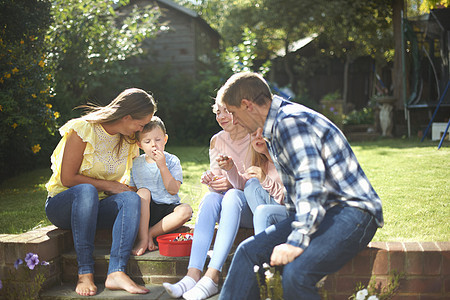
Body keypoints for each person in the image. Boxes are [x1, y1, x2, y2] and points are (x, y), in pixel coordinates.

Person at [217, 72, 384, 300]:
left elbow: (310, 183)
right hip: (322, 213)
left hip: (353, 212)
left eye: (234, 113)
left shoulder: (290, 123)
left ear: (247, 105)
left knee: (297, 273)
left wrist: (297, 240)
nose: (233, 121)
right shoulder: (276, 126)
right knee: (248, 252)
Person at [45, 88, 156, 296]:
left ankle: (116, 272)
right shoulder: (83, 129)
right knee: (86, 191)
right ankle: (84, 272)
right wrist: (109, 186)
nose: (141, 129)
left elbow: (122, 183)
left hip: (96, 207)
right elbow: (67, 178)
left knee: (130, 198)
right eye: (140, 124)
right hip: (63, 206)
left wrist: (126, 189)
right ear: (126, 116)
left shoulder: (127, 140)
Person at [163, 101, 253, 300]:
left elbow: (255, 185)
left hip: (249, 208)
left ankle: (212, 276)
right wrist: (211, 180)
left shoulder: (254, 137)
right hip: (228, 206)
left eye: (227, 111)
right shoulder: (217, 140)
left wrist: (230, 183)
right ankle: (192, 275)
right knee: (212, 197)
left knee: (232, 195)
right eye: (218, 112)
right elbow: (219, 183)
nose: (221, 116)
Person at [130, 116, 192, 256]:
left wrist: (162, 166)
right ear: (140, 145)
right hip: (146, 210)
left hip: (168, 209)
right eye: (147, 141)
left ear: (165, 139)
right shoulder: (136, 164)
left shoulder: (172, 161)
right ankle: (143, 238)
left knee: (186, 210)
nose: (154, 145)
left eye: (158, 140)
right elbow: (132, 190)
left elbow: (173, 190)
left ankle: (149, 234)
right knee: (143, 192)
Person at [244, 131, 286, 234]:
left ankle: (263, 244)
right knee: (251, 184)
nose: (258, 137)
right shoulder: (262, 165)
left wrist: (265, 180)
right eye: (253, 134)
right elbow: (241, 183)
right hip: (271, 215)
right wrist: (229, 169)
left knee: (263, 212)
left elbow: (292, 199)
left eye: (262, 133)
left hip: (293, 213)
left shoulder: (286, 161)